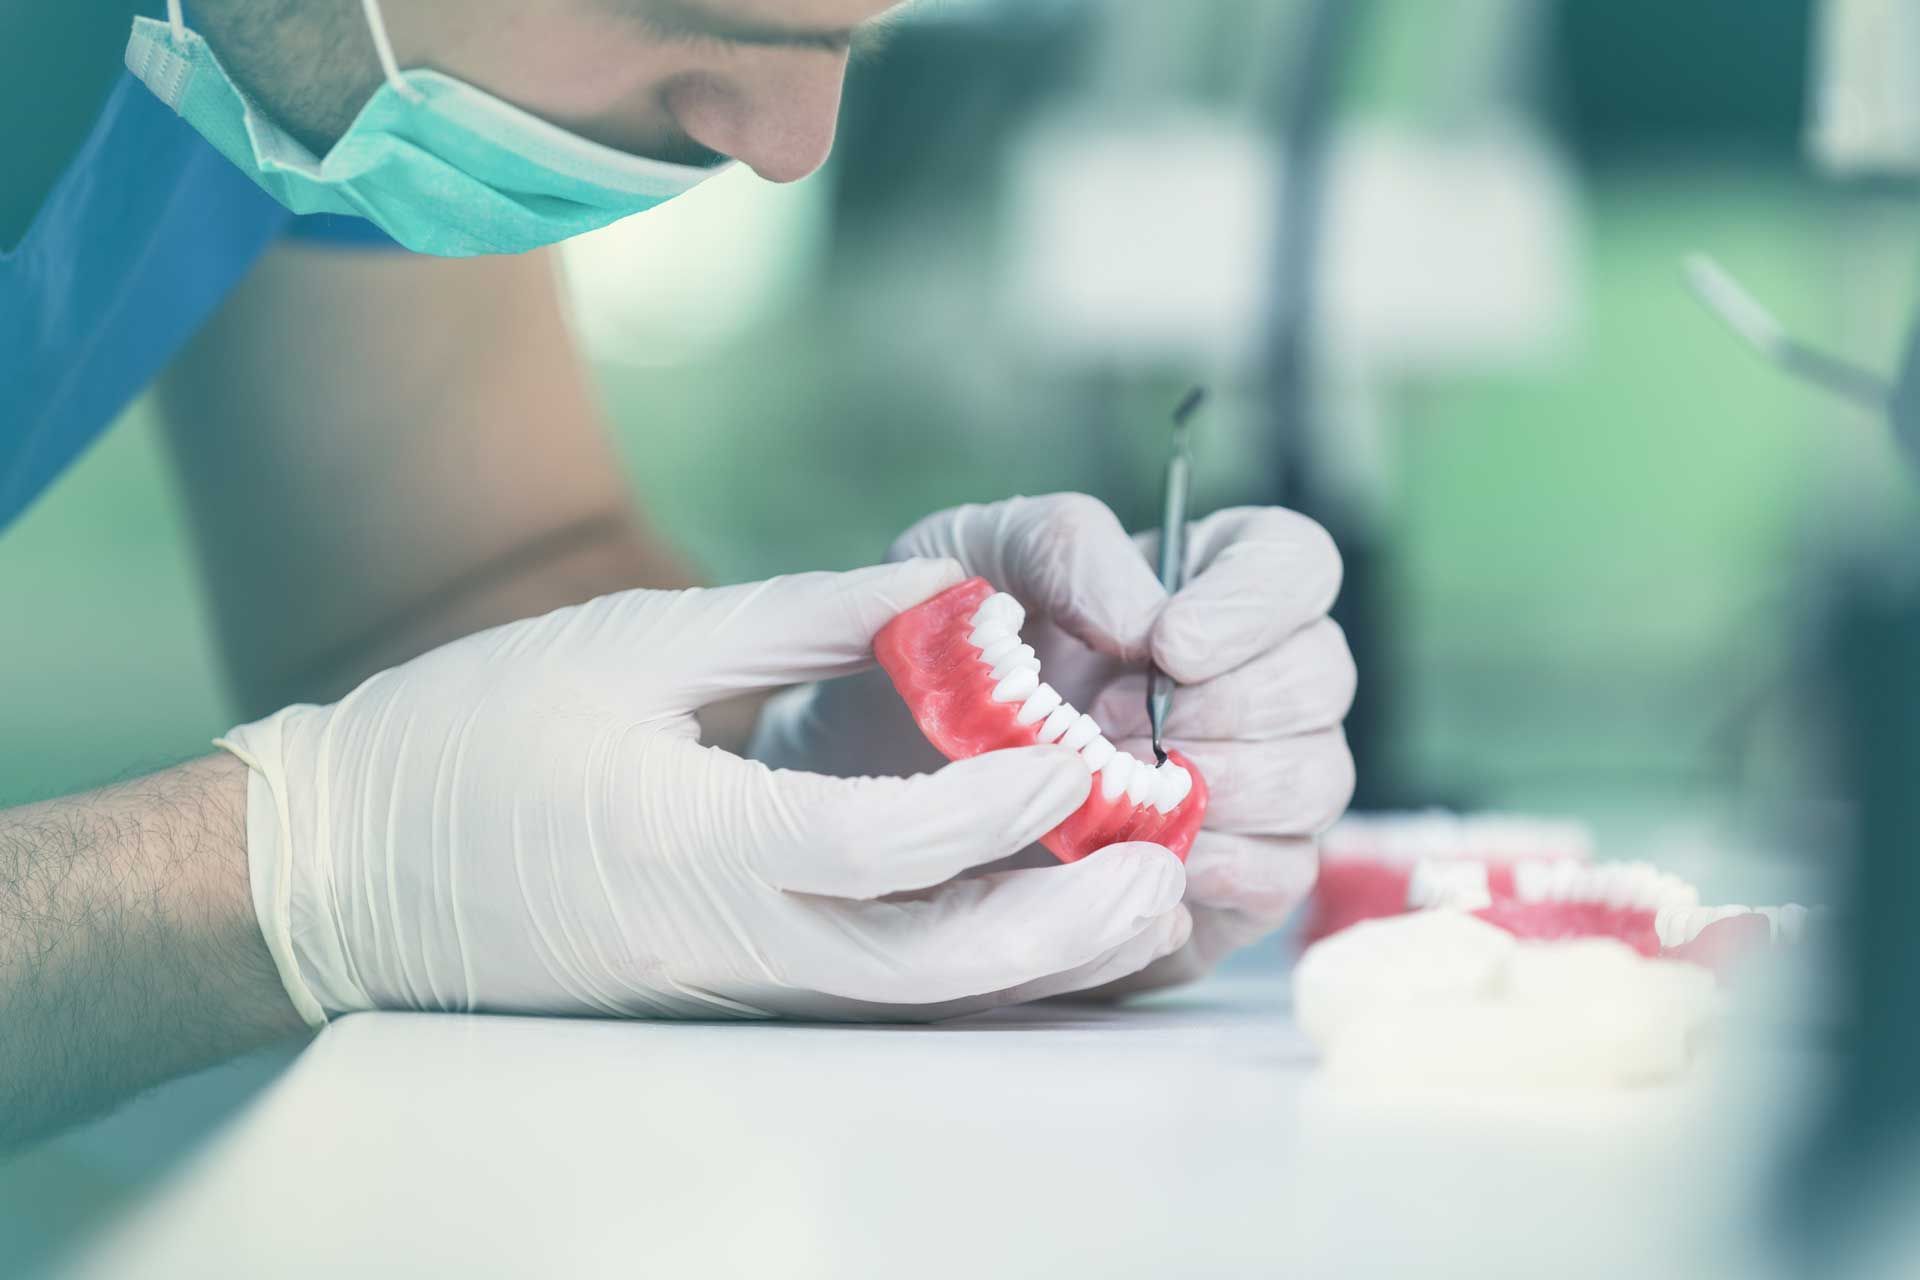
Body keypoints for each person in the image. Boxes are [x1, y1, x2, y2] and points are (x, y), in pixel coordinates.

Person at [0, 0, 1356, 1151]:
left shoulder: (332, 65)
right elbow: (364, 831)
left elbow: (441, 592)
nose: (790, 146)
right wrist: (279, 877)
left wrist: (827, 784)